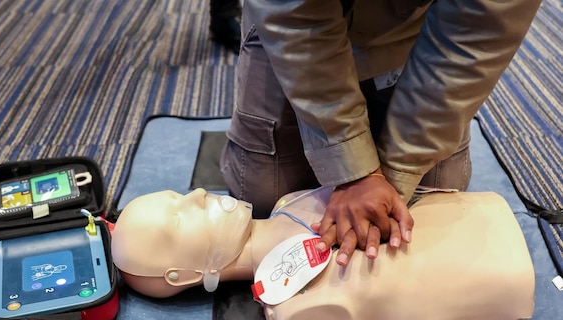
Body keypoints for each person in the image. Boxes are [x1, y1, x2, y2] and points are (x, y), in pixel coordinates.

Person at [220, 0, 542, 267]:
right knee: (263, 195)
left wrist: (390, 177)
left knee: (438, 205)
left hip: (416, 26)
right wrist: (355, 171)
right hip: (294, 26)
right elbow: (295, 15)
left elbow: (477, 30)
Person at [111, 188, 534, 320]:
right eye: (179, 218)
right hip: (492, 272)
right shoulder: (293, 308)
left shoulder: (287, 205)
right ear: (180, 275)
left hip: (472, 222)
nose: (198, 194)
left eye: (178, 195)